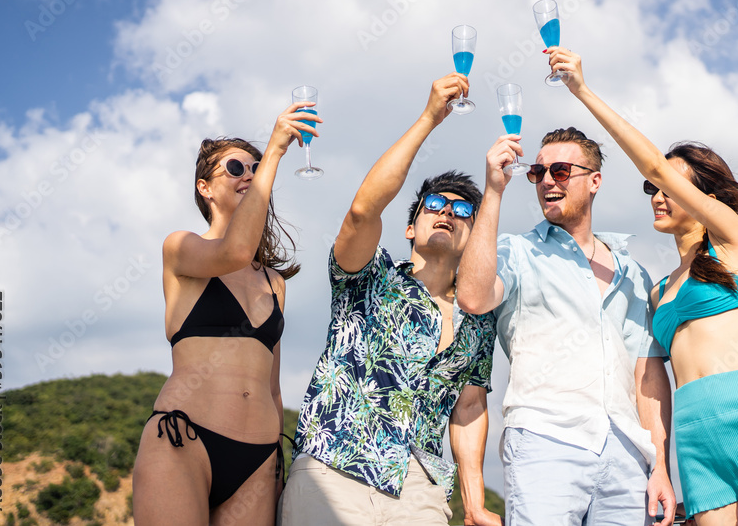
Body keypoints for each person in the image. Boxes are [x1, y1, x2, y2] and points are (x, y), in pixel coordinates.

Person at [548, 46, 738, 525]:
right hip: (697, 434)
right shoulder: (659, 290)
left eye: (669, 188)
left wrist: (581, 91)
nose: (657, 195)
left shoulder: (731, 243)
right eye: (652, 190)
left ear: (704, 196)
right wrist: (657, 462)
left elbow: (655, 166)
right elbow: (650, 381)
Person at [279, 73, 501, 526]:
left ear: (473, 235)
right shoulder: (370, 276)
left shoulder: (479, 316)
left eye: (463, 212)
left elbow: (471, 405)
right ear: (410, 227)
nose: (447, 213)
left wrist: (475, 501)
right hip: (333, 465)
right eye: (435, 204)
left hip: (419, 485)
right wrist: (428, 119)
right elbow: (363, 210)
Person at [456, 123, 677, 525]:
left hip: (628, 452)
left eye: (560, 171)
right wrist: (494, 191)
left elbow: (648, 374)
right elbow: (471, 297)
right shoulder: (516, 251)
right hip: (545, 440)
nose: (546, 182)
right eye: (538, 173)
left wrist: (660, 465)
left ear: (594, 182)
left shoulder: (633, 272)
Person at [133, 101, 318, 525]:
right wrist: (273, 150)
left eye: (255, 167)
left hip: (257, 459)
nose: (249, 175)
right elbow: (233, 251)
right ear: (204, 187)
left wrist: (276, 459)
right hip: (184, 441)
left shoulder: (275, 283)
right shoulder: (180, 248)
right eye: (236, 169)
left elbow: (272, 386)